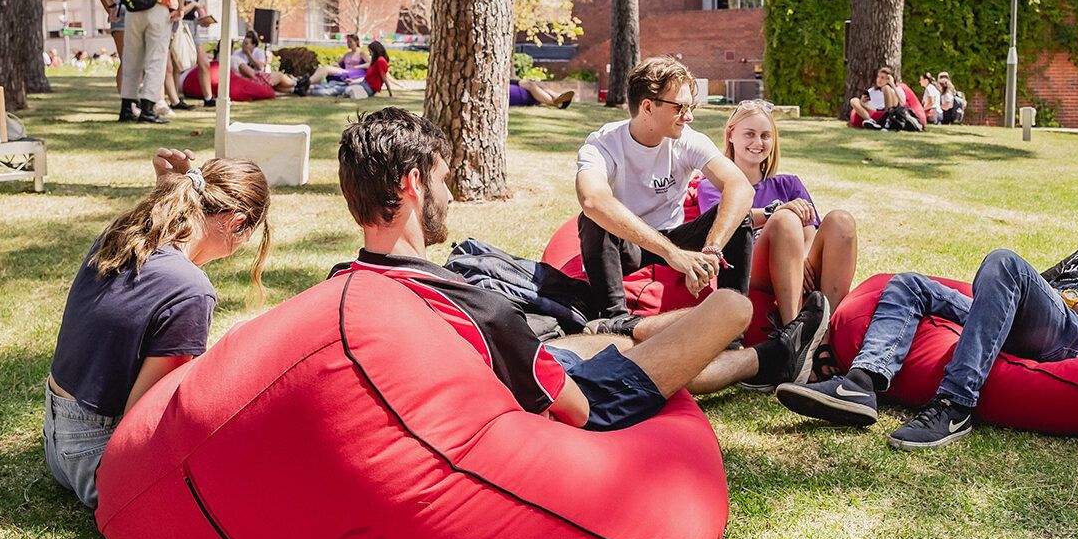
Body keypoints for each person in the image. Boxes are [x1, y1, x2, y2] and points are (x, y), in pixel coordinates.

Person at [328, 107, 829, 431]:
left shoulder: (348, 282)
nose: (451, 193)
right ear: (414, 184)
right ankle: (770, 358)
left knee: (615, 339)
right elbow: (570, 405)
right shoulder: (475, 306)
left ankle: (644, 329)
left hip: (539, 364)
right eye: (441, 180)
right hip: (585, 400)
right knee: (730, 307)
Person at [776, 160, 1078, 449]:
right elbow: (1025, 292)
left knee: (1005, 261)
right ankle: (861, 385)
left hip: (1075, 338)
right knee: (909, 284)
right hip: (1038, 318)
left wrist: (1073, 301)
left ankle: (954, 405)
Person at [44, 150, 272, 509]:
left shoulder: (122, 234)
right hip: (99, 467)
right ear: (237, 222)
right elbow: (148, 417)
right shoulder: (191, 290)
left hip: (57, 440)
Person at [575, 55, 759, 328]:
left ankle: (731, 334)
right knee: (591, 219)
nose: (689, 116)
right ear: (648, 107)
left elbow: (740, 187)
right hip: (629, 244)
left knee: (741, 214)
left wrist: (711, 251)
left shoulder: (689, 140)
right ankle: (615, 321)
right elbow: (592, 200)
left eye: (691, 106)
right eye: (680, 107)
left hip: (676, 235)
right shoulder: (602, 144)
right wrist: (672, 254)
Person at [695, 100, 857, 331]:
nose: (757, 143)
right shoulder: (712, 186)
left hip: (797, 260)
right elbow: (722, 222)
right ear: (731, 135)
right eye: (749, 134)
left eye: (765, 136)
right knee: (785, 219)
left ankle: (827, 332)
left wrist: (800, 259)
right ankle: (792, 332)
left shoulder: (789, 184)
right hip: (747, 262)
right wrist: (777, 212)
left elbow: (810, 229)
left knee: (841, 221)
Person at [98, 0, 183, 124]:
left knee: (130, 60)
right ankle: (147, 109)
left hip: (132, 12)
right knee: (156, 60)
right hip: (158, 10)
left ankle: (127, 108)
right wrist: (179, 7)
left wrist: (110, 8)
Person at [177, 0, 216, 107]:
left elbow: (195, 14)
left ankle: (208, 97)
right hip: (179, 28)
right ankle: (175, 99)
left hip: (193, 28)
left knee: (204, 63)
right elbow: (179, 12)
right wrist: (193, 5)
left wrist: (203, 19)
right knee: (177, 65)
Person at [307, 40, 390, 98]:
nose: (370, 54)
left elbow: (384, 77)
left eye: (370, 51)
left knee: (336, 90)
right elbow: (369, 78)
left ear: (376, 51)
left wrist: (390, 93)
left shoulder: (380, 61)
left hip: (367, 88)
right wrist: (354, 81)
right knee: (336, 84)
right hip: (363, 84)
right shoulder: (377, 61)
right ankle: (310, 87)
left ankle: (309, 91)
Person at [231, 30, 298, 93]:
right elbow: (251, 74)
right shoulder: (237, 54)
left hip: (258, 75)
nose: (243, 46)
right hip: (254, 79)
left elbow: (261, 67)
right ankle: (297, 83)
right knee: (279, 75)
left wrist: (249, 55)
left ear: (253, 45)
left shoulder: (259, 52)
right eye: (243, 43)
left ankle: (296, 89)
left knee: (276, 85)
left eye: (246, 44)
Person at [509, 78, 574, 109]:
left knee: (534, 82)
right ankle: (553, 101)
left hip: (513, 81)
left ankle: (557, 96)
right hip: (513, 83)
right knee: (530, 84)